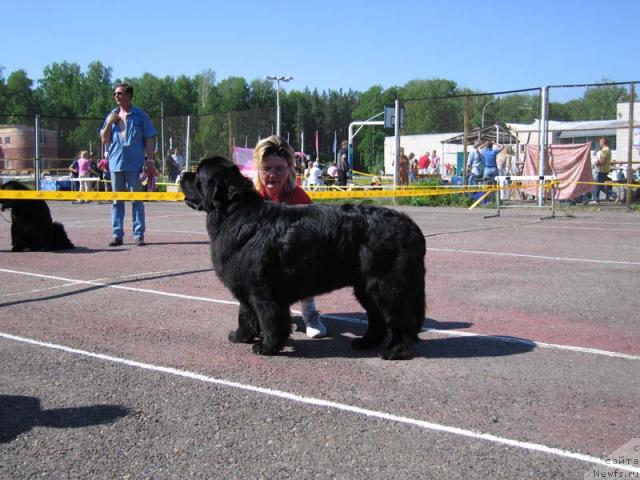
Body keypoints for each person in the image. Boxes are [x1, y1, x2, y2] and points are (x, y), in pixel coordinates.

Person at [253, 135, 327, 338]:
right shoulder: (251, 198)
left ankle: (310, 313)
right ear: (258, 170)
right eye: (266, 168)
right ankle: (258, 314)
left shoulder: (299, 197)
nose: (272, 174)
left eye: (279, 169)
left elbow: (315, 234)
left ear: (289, 170)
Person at [100, 83, 157, 247]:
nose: (116, 96)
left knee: (136, 200)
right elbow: (104, 138)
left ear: (129, 96)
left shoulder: (140, 116)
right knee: (117, 201)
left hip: (135, 164)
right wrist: (110, 122)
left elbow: (149, 138)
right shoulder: (112, 115)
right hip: (116, 163)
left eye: (119, 93)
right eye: (115, 94)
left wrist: (150, 160)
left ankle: (139, 235)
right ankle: (117, 235)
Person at [588, 137, 615, 205]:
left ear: (603, 142)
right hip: (605, 170)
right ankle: (612, 195)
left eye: (600, 142)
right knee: (600, 185)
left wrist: (596, 163)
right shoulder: (608, 150)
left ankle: (597, 200)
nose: (599, 144)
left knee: (597, 185)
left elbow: (602, 161)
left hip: (602, 170)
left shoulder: (605, 150)